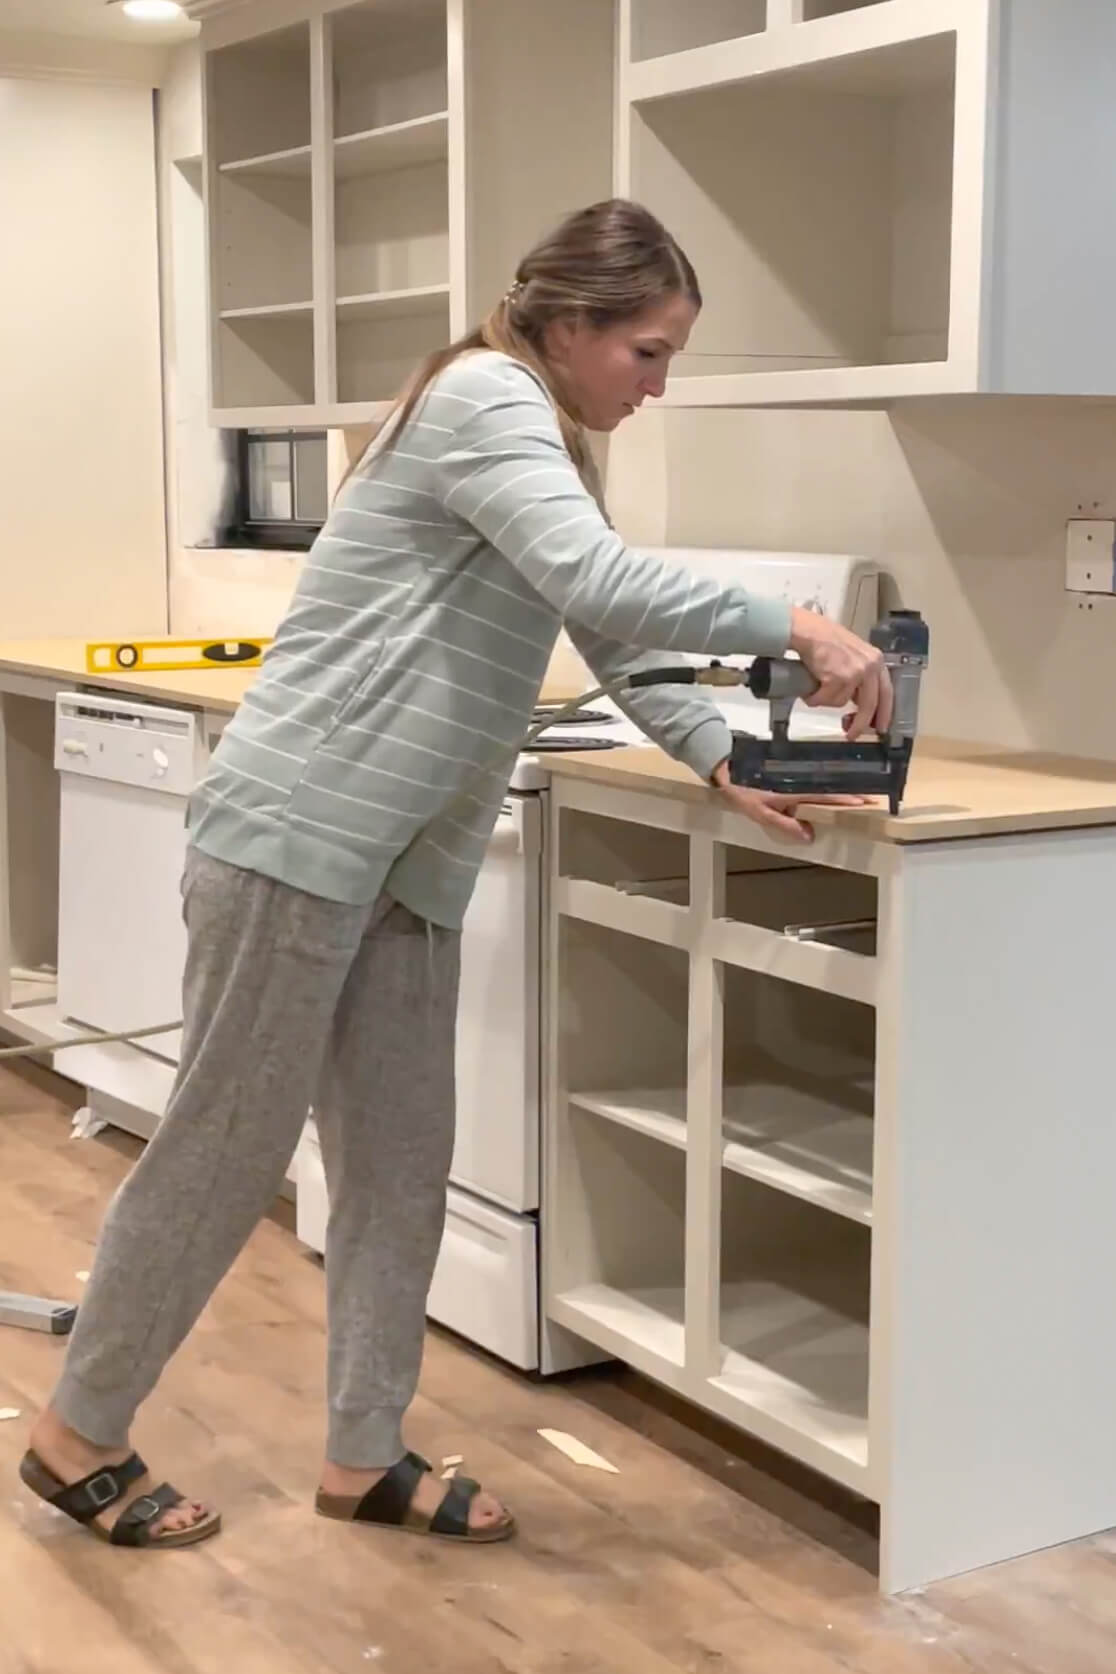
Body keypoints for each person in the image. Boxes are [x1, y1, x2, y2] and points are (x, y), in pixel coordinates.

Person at [20, 198, 889, 1550]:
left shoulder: (546, 438)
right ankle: (78, 1428)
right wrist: (802, 621)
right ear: (571, 323)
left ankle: (362, 1453)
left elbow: (609, 624)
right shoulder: (489, 396)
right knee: (222, 1147)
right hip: (301, 836)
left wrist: (725, 755)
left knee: (399, 1164)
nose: (658, 386)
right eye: (649, 353)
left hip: (399, 864)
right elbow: (604, 575)